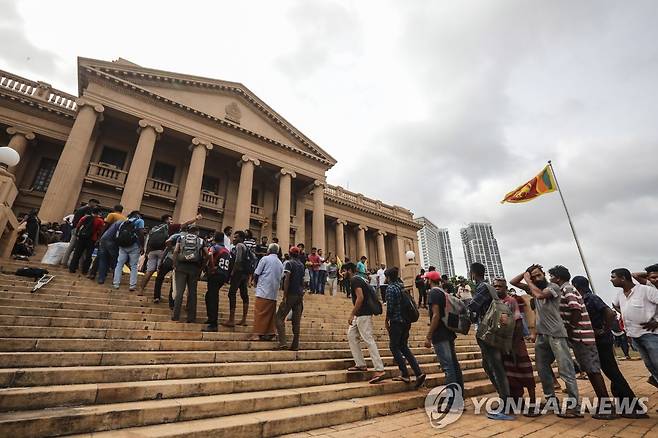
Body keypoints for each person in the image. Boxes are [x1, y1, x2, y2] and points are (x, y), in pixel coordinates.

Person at [511, 265, 580, 418]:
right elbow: (513, 282)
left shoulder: (553, 287)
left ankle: (574, 406)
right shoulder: (534, 288)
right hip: (542, 335)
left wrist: (529, 281)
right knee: (542, 370)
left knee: (566, 370)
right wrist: (525, 272)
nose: (536, 278)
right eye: (534, 276)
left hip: (556, 334)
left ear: (544, 275)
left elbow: (541, 296)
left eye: (538, 275)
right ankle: (551, 401)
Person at [573, 275, 647, 418]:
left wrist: (604, 329)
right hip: (596, 339)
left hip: (602, 340)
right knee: (610, 370)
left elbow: (610, 313)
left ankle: (633, 407)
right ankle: (622, 401)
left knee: (612, 371)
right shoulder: (584, 299)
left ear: (577, 286)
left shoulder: (591, 298)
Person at [548, 265, 613, 419]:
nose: (550, 279)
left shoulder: (567, 289)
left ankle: (607, 407)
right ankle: (605, 404)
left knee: (593, 370)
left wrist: (570, 328)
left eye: (551, 276)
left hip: (581, 336)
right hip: (579, 337)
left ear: (557, 278)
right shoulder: (563, 290)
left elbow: (575, 309)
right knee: (590, 370)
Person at [467, 262, 513, 420]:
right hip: (491, 330)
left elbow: (472, 307)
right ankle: (504, 399)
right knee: (488, 365)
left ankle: (506, 405)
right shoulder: (489, 287)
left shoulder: (482, 287)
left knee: (495, 366)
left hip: (488, 332)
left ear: (473, 273)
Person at [493, 278, 538, 415]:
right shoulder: (495, 303)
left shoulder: (510, 301)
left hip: (515, 344)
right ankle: (515, 402)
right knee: (510, 375)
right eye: (495, 286)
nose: (497, 288)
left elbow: (518, 321)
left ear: (505, 287)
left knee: (526, 373)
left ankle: (533, 403)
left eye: (500, 286)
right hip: (503, 344)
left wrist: (515, 342)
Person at [611, 268, 658, 389]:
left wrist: (657, 322)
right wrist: (624, 313)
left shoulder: (646, 290)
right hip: (634, 335)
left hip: (650, 334)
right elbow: (614, 305)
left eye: (613, 277)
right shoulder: (620, 295)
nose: (611, 280)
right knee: (651, 366)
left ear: (623, 278)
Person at [343, 262, 386, 384]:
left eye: (344, 271)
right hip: (360, 315)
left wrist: (352, 313)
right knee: (351, 335)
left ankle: (379, 369)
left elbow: (360, 297)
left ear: (350, 271)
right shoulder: (359, 279)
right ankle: (360, 364)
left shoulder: (355, 280)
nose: (343, 273)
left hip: (363, 314)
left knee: (368, 339)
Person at [139, 213, 201, 296]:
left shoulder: (155, 228)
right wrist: (196, 218)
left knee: (149, 271)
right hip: (162, 251)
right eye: (170, 219)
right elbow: (185, 224)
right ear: (167, 220)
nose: (172, 221)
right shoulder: (170, 227)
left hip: (152, 252)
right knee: (160, 273)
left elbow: (149, 239)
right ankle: (161, 294)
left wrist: (147, 251)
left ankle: (141, 290)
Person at [425, 270, 464, 396]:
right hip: (448, 332)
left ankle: (452, 402)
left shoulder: (433, 293)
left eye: (426, 279)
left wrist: (429, 336)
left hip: (440, 334)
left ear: (430, 281)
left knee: (448, 368)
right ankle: (459, 399)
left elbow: (436, 315)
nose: (425, 281)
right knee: (454, 366)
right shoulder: (443, 292)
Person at [386, 267, 426, 388]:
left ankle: (404, 373)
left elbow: (390, 307)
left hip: (396, 321)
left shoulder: (391, 288)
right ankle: (418, 373)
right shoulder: (402, 286)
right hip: (406, 321)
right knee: (403, 346)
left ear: (388, 277)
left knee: (394, 346)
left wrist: (387, 319)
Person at [171, 225, 207, 323]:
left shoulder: (181, 237)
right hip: (194, 268)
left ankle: (176, 316)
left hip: (181, 266)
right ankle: (191, 318)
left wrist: (174, 264)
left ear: (188, 231)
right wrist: (202, 268)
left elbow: (175, 251)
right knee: (192, 293)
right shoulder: (201, 240)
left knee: (179, 292)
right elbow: (207, 254)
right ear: (197, 232)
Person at [248, 243, 283, 341]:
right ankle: (270, 333)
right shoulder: (280, 263)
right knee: (270, 314)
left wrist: (254, 282)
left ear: (269, 250)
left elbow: (257, 273)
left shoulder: (265, 259)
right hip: (273, 292)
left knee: (259, 312)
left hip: (263, 290)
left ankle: (257, 334)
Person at [275, 246, 305, 350]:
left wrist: (284, 295)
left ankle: (282, 342)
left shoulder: (289, 263)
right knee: (296, 322)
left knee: (279, 317)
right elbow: (303, 280)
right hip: (299, 295)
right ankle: (295, 344)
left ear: (290, 253)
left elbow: (287, 279)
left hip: (291, 293)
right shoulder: (301, 265)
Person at [203, 231, 231, 332]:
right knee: (209, 295)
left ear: (215, 238)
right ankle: (210, 318)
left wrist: (211, 266)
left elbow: (209, 254)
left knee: (213, 297)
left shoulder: (215, 247)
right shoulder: (227, 250)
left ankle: (213, 323)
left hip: (215, 274)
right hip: (223, 275)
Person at [112, 211, 145, 291]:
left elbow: (118, 234)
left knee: (119, 264)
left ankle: (116, 283)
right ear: (137, 215)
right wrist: (142, 246)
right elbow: (141, 233)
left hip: (123, 246)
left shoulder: (124, 222)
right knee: (133, 265)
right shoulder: (139, 221)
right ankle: (132, 285)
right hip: (134, 246)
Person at [222, 230, 250, 327]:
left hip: (238, 273)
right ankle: (244, 319)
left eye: (236, 237)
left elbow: (238, 260)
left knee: (231, 294)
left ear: (241, 238)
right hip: (245, 274)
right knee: (244, 295)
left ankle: (231, 319)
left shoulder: (239, 246)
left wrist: (232, 272)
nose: (234, 239)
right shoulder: (246, 247)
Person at [61, 199, 99, 266]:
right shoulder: (87, 209)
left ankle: (65, 261)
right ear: (91, 202)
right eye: (95, 204)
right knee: (74, 246)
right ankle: (66, 262)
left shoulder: (82, 208)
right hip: (78, 229)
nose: (96, 206)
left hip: (76, 228)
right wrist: (78, 231)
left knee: (75, 246)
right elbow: (83, 221)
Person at [69, 207, 104, 275]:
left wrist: (77, 234)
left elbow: (78, 226)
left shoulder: (85, 217)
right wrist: (98, 239)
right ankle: (85, 270)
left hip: (81, 237)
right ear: (99, 213)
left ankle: (72, 268)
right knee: (88, 255)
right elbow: (101, 231)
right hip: (92, 239)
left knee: (77, 253)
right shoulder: (100, 221)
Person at [94, 218, 122, 284]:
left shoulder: (117, 222)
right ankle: (115, 279)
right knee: (116, 261)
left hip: (103, 239)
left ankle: (101, 278)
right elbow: (118, 236)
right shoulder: (124, 224)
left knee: (103, 260)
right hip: (112, 242)